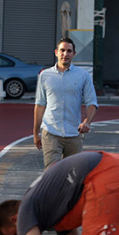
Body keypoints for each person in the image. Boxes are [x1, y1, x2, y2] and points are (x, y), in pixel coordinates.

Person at [33, 37, 98, 169]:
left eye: (69, 51)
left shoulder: (83, 75)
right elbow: (40, 105)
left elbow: (92, 103)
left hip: (74, 134)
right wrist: (35, 133)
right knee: (52, 173)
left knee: (72, 175)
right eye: (62, 50)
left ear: (74, 54)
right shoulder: (45, 75)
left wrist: (87, 121)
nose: (65, 54)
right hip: (51, 132)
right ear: (56, 52)